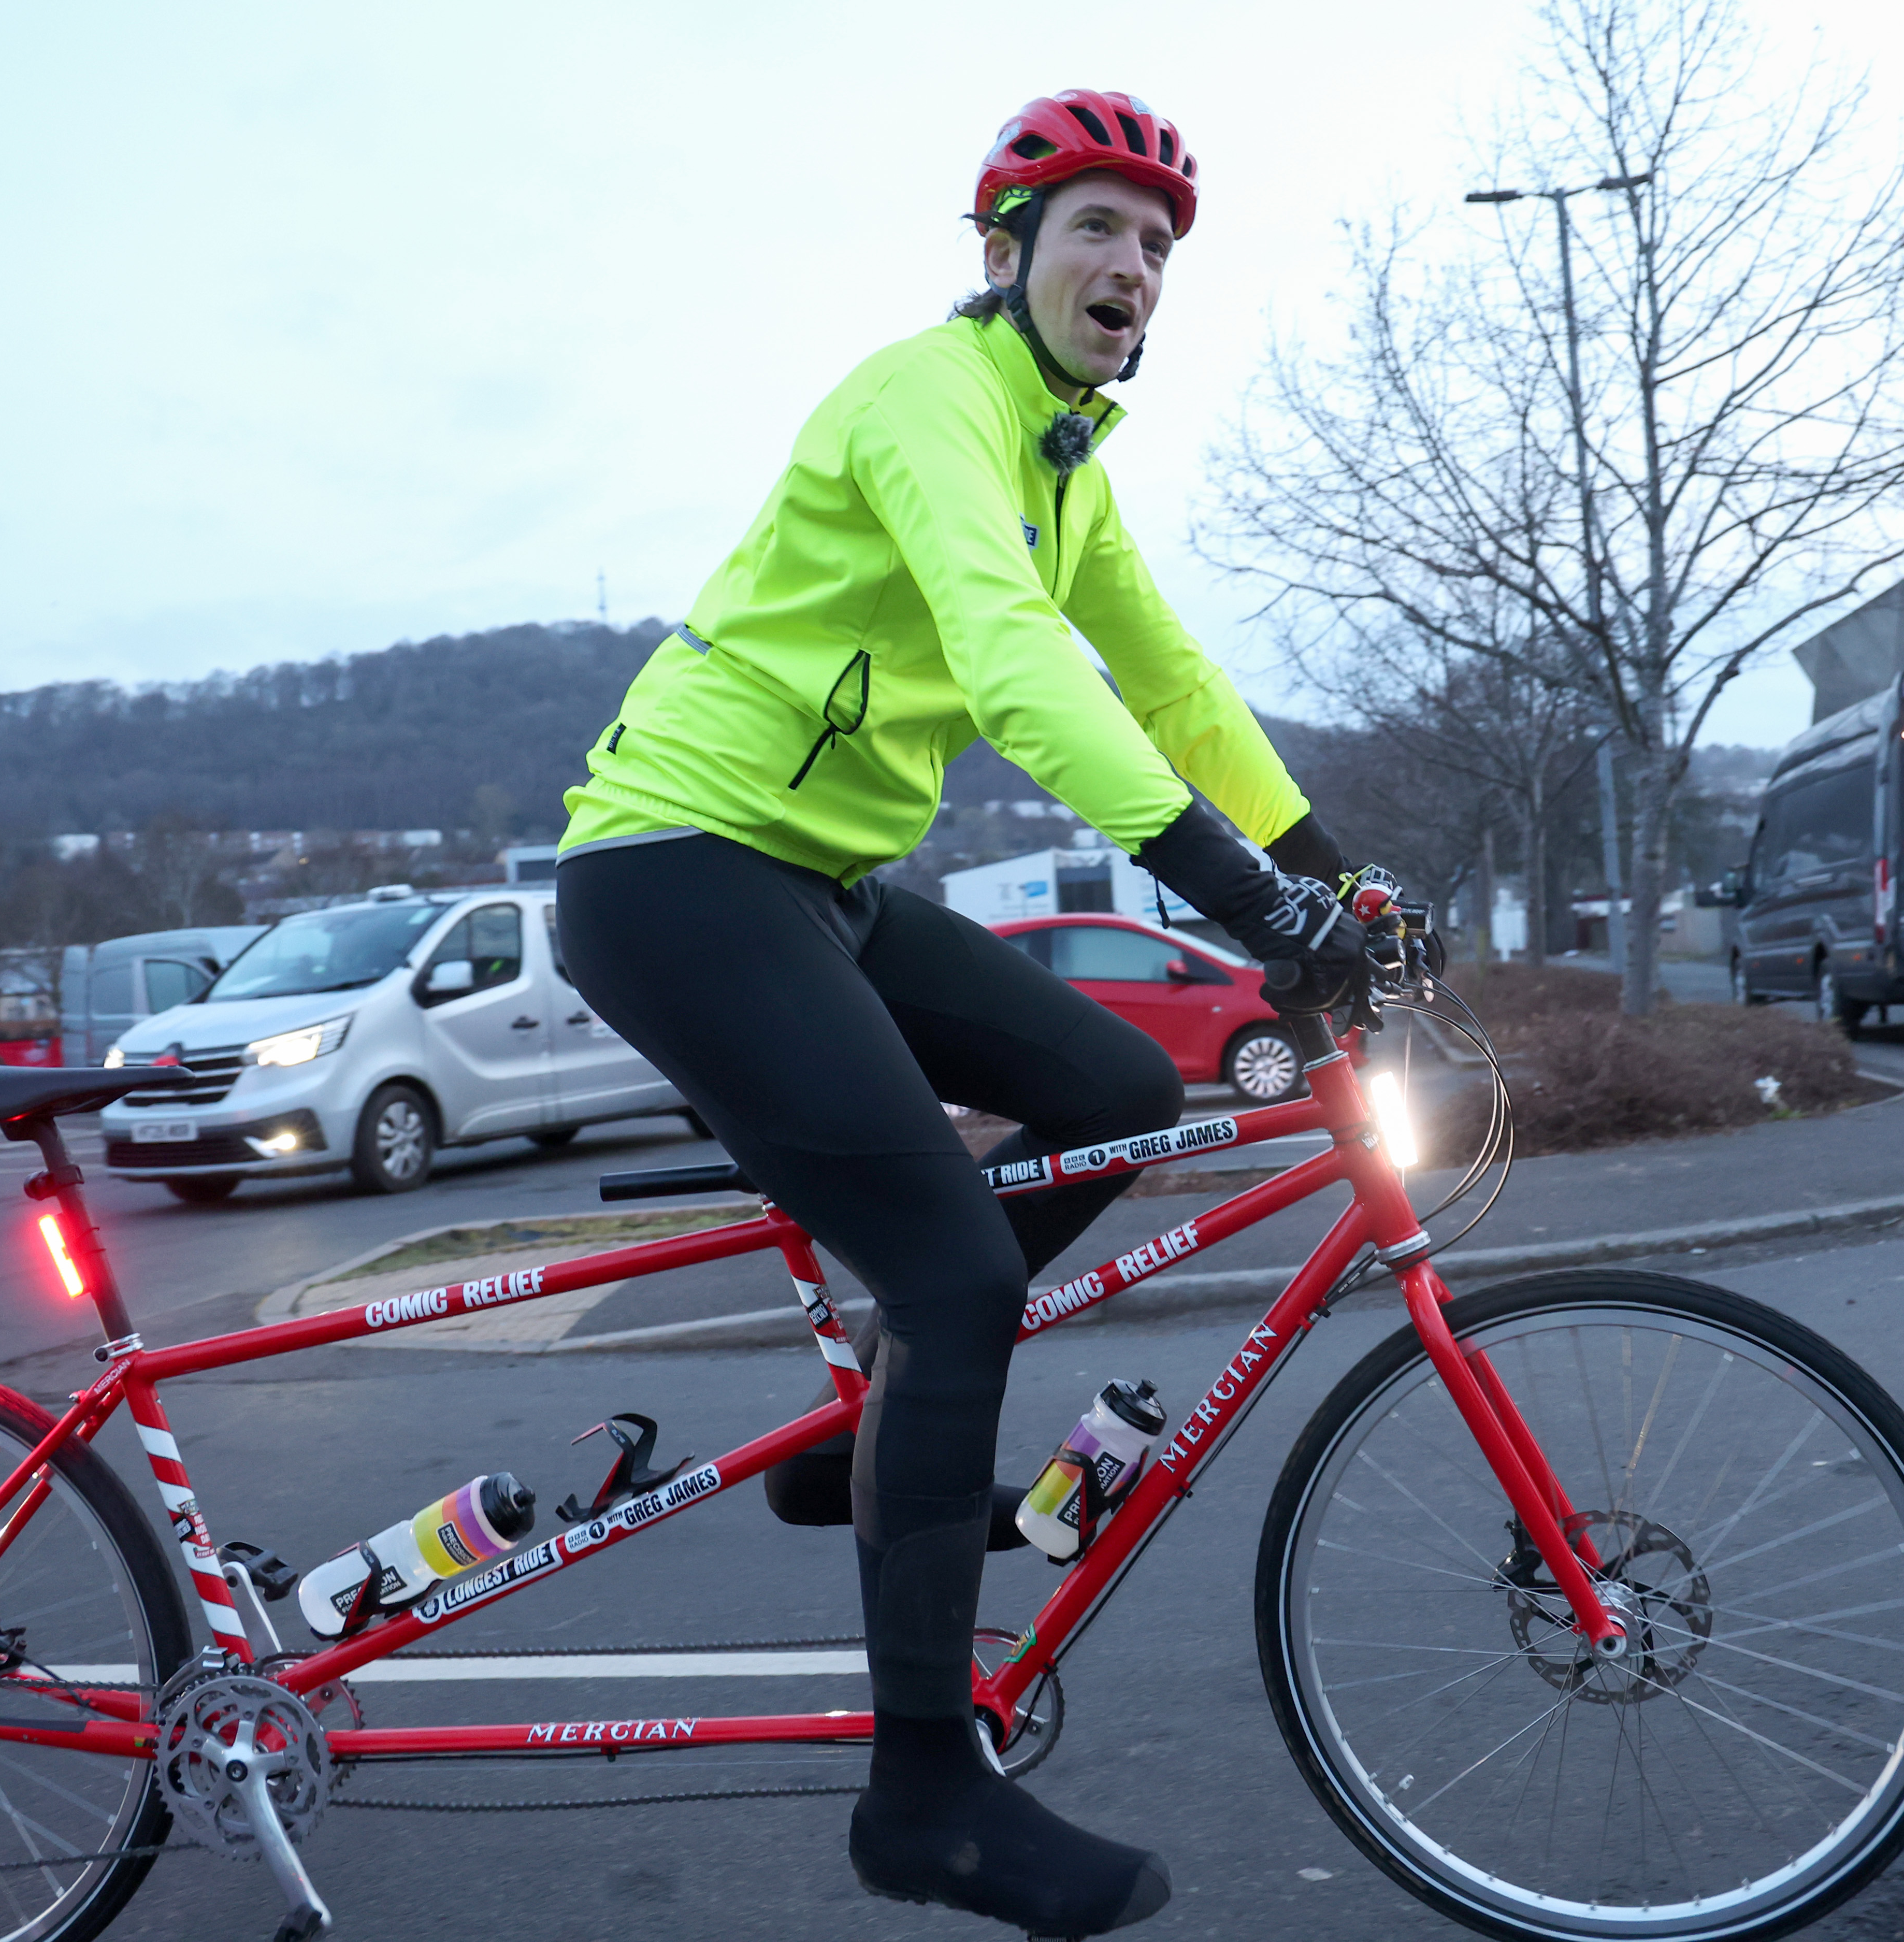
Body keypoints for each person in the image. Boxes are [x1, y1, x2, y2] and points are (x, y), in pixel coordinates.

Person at [554, 89, 1371, 1937]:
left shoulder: (1063, 463)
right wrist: (1250, 904)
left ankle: (870, 1444)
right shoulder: (928, 401)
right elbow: (1014, 668)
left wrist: (1343, 871)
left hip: (818, 880)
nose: (1133, 267)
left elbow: (1163, 678)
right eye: (1098, 229)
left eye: (1158, 246)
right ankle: (924, 1785)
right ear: (1004, 254)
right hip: (678, 861)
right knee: (951, 1273)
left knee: (1106, 1080)